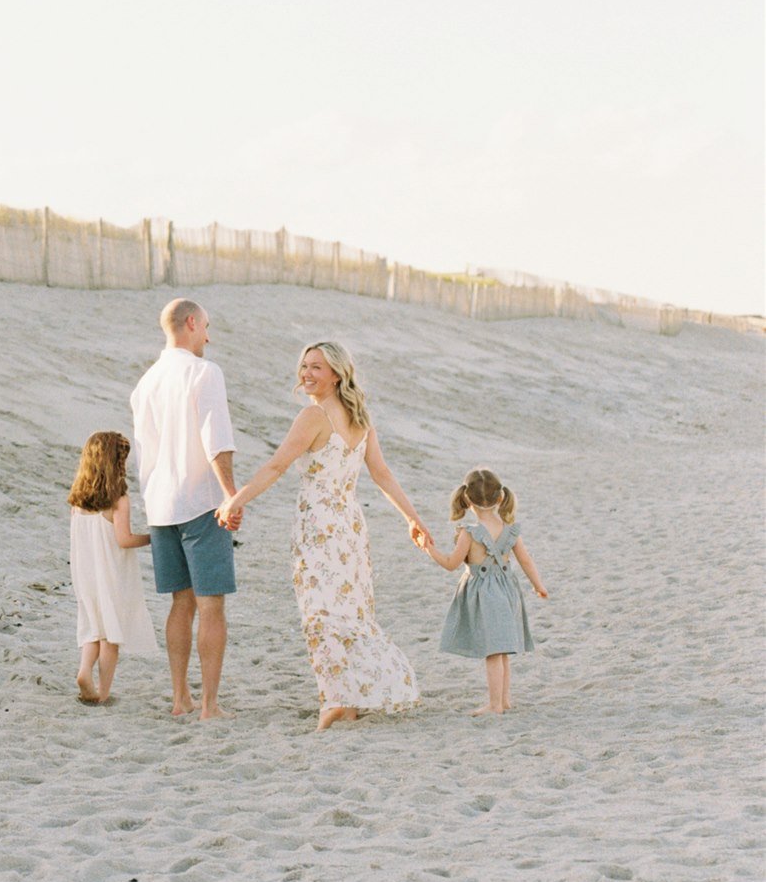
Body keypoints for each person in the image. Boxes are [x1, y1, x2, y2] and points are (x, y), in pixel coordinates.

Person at [217, 340, 425, 731]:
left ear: (336, 374)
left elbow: (278, 466)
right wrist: (411, 518)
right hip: (349, 526)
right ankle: (346, 695)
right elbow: (381, 475)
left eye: (316, 367)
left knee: (319, 612)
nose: (306, 374)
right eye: (304, 366)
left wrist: (237, 500)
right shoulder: (359, 418)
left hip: (320, 527)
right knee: (348, 610)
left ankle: (335, 699)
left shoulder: (312, 418)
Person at [129, 298, 242, 720]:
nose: (209, 337)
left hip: (160, 505)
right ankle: (210, 706)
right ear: (191, 323)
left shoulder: (146, 383)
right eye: (207, 327)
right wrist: (230, 494)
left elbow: (144, 453)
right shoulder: (204, 372)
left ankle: (181, 699)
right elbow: (217, 440)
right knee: (212, 605)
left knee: (181, 602)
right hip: (200, 501)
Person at [424, 467, 548, 715]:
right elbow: (526, 561)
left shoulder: (469, 533)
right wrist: (538, 586)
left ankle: (494, 705)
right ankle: (504, 700)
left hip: (485, 595)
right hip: (508, 590)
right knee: (502, 651)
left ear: (467, 499)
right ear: (500, 497)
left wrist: (428, 549)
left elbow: (451, 564)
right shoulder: (511, 530)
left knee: (493, 651)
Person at [67, 431, 156, 705]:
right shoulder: (118, 499)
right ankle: (103, 693)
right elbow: (123, 539)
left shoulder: (78, 500)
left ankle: (84, 672)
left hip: (85, 573)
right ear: (115, 463)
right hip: (111, 573)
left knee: (93, 627)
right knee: (111, 635)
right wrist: (153, 538)